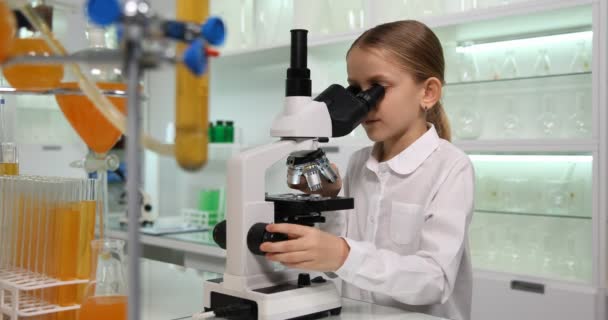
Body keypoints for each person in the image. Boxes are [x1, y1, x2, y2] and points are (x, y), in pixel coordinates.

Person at [260, 20, 475, 320]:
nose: (364, 104)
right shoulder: (359, 162)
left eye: (378, 88)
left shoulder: (451, 167)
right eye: (355, 89)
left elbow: (434, 280)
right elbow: (341, 262)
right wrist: (330, 199)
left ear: (427, 92)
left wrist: (343, 255)